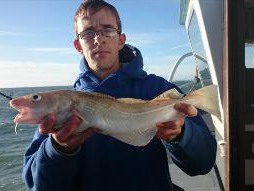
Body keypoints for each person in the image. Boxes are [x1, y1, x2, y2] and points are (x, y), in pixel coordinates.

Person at [22, 1, 217, 191]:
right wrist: (58, 148)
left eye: (107, 30)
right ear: (78, 45)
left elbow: (203, 163)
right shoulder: (58, 113)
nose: (99, 39)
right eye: (88, 33)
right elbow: (37, 185)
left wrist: (181, 135)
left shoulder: (158, 88)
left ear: (121, 40)